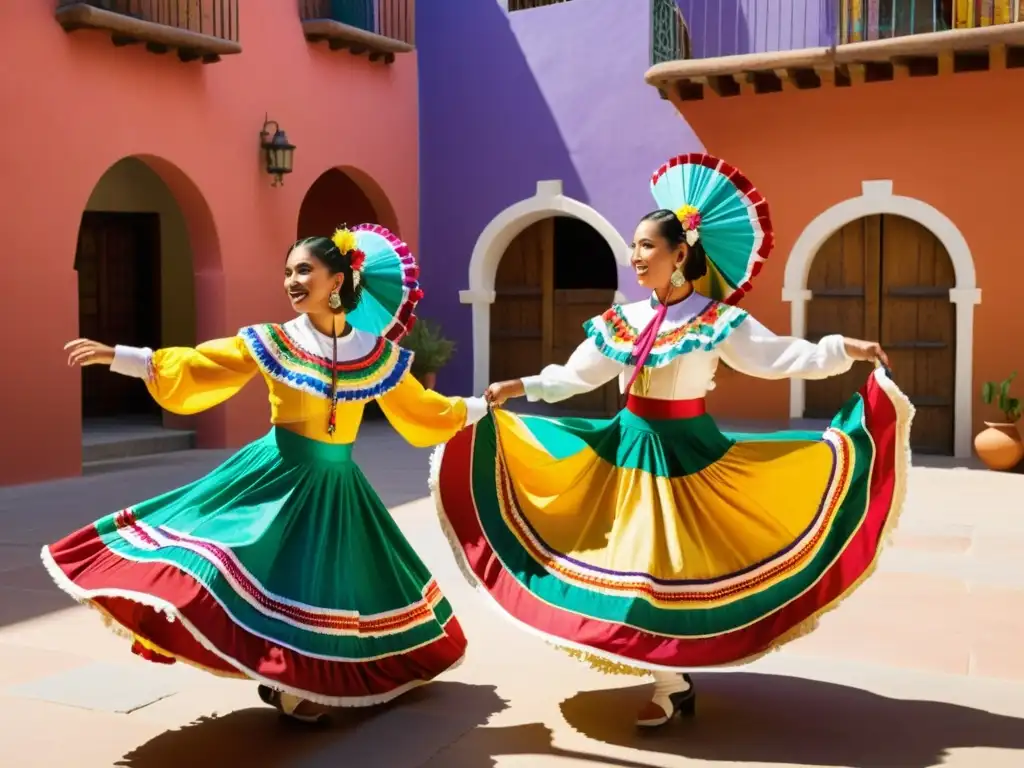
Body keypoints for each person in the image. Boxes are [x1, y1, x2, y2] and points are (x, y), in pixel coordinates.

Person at [431, 153, 914, 728]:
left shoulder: (716, 319)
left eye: (646, 246)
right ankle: (669, 680)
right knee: (633, 568)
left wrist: (841, 350)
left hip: (688, 457)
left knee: (667, 574)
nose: (634, 256)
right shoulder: (624, 320)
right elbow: (577, 374)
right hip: (625, 449)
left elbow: (777, 356)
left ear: (680, 254)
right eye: (633, 246)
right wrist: (523, 385)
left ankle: (670, 679)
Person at [45, 224, 486, 723]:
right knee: (238, 566)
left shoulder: (372, 350)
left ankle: (308, 680)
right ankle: (285, 676)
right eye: (288, 272)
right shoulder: (275, 340)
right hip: (277, 474)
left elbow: (419, 407)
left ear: (337, 280)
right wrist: (121, 357)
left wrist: (477, 408)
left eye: (304, 270)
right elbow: (202, 364)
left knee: (329, 587)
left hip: (339, 487)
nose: (292, 281)